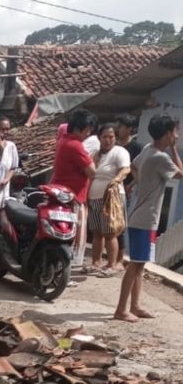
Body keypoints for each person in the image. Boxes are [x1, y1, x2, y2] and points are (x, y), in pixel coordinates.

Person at [114, 114, 183, 322]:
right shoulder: (160, 157)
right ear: (167, 134)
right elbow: (180, 173)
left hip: (140, 215)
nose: (176, 136)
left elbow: (134, 166)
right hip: (145, 219)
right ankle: (121, 309)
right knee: (135, 264)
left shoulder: (147, 150)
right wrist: (174, 149)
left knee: (140, 264)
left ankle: (134, 305)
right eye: (174, 132)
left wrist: (140, 183)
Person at [50, 109, 97, 271]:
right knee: (70, 236)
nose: (88, 134)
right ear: (78, 128)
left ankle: (58, 269)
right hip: (72, 197)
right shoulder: (76, 146)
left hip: (62, 193)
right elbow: (92, 172)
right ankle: (63, 270)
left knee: (62, 235)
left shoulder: (63, 140)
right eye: (87, 130)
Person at [87, 123, 131, 274]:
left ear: (115, 138)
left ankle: (111, 265)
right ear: (99, 138)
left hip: (112, 198)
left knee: (110, 232)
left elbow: (126, 169)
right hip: (94, 197)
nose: (108, 140)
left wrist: (115, 180)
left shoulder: (120, 151)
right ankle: (96, 263)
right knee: (97, 232)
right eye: (104, 137)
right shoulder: (96, 154)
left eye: (111, 137)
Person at [115, 113, 143, 266]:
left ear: (129, 129)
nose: (118, 129)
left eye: (121, 126)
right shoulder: (114, 145)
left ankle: (119, 258)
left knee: (120, 224)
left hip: (125, 190)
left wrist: (130, 186)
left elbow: (139, 171)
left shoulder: (137, 148)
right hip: (110, 188)